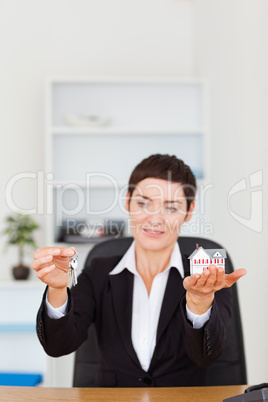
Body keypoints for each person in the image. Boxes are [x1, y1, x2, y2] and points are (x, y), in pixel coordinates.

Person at [32, 154, 246, 387]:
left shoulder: (207, 276)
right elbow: (57, 345)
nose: (155, 219)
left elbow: (207, 356)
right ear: (128, 202)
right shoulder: (99, 271)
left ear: (189, 211)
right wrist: (57, 289)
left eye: (171, 207)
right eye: (143, 203)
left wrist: (199, 303)